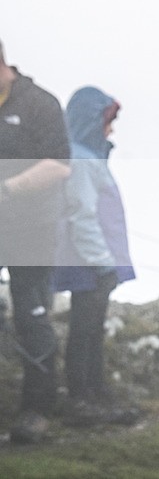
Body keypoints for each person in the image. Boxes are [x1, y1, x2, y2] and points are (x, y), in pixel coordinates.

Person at [0, 38, 71, 444]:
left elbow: (60, 165)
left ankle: (37, 410)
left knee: (31, 317)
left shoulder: (39, 102)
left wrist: (8, 190)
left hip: (30, 233)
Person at [53, 86, 137, 426]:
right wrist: (104, 264)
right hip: (90, 264)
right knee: (85, 330)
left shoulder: (85, 157)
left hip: (93, 263)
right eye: (107, 121)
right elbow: (83, 216)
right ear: (91, 120)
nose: (111, 129)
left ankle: (95, 394)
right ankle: (83, 399)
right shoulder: (82, 160)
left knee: (89, 329)